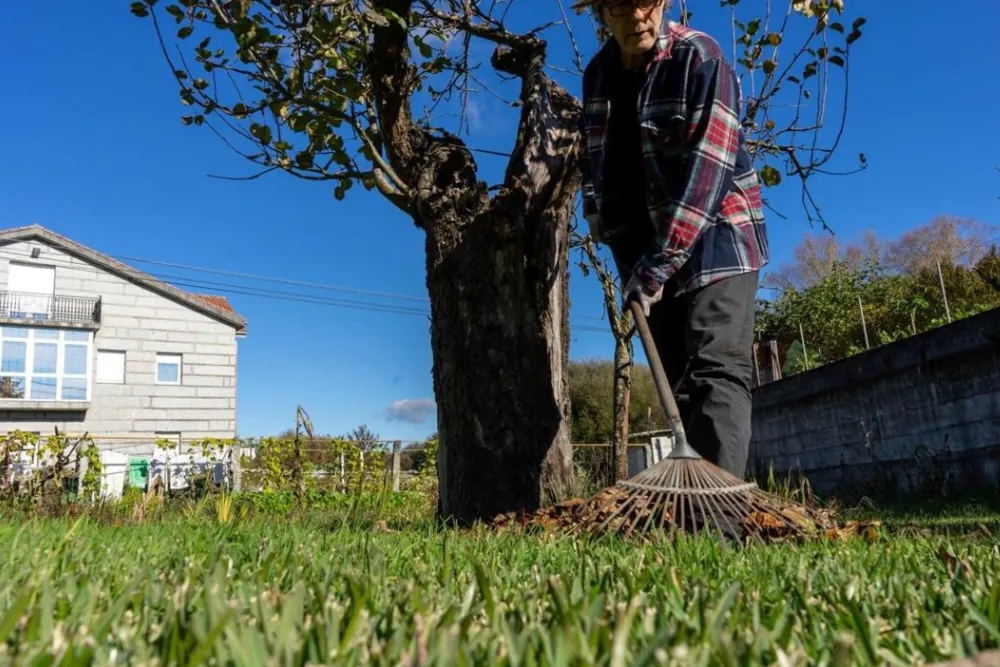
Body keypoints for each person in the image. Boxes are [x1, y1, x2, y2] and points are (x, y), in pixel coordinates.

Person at [574, 0, 769, 478]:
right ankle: (691, 511)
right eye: (623, 3)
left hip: (718, 238)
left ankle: (720, 521)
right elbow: (594, 157)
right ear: (600, 9)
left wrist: (658, 264)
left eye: (650, 1)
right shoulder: (598, 74)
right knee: (679, 381)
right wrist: (602, 223)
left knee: (714, 371)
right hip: (642, 252)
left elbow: (710, 169)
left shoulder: (700, 57)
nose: (639, 15)